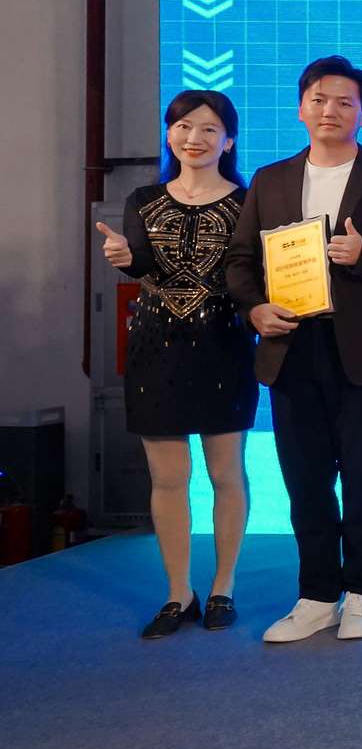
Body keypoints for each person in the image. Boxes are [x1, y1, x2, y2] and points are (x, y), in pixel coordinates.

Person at [225, 56, 362, 643]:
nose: (331, 111)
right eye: (319, 99)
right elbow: (241, 261)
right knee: (305, 479)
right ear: (301, 109)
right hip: (291, 347)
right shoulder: (270, 180)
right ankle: (317, 594)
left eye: (345, 102)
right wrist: (254, 310)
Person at [97, 90, 256, 637]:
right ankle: (177, 592)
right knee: (168, 478)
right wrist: (124, 257)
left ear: (228, 141)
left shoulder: (249, 201)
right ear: (169, 134)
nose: (195, 138)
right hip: (153, 346)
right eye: (184, 126)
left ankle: (223, 587)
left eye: (210, 129)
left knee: (225, 474)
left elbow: (254, 274)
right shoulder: (142, 199)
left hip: (224, 345)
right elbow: (140, 264)